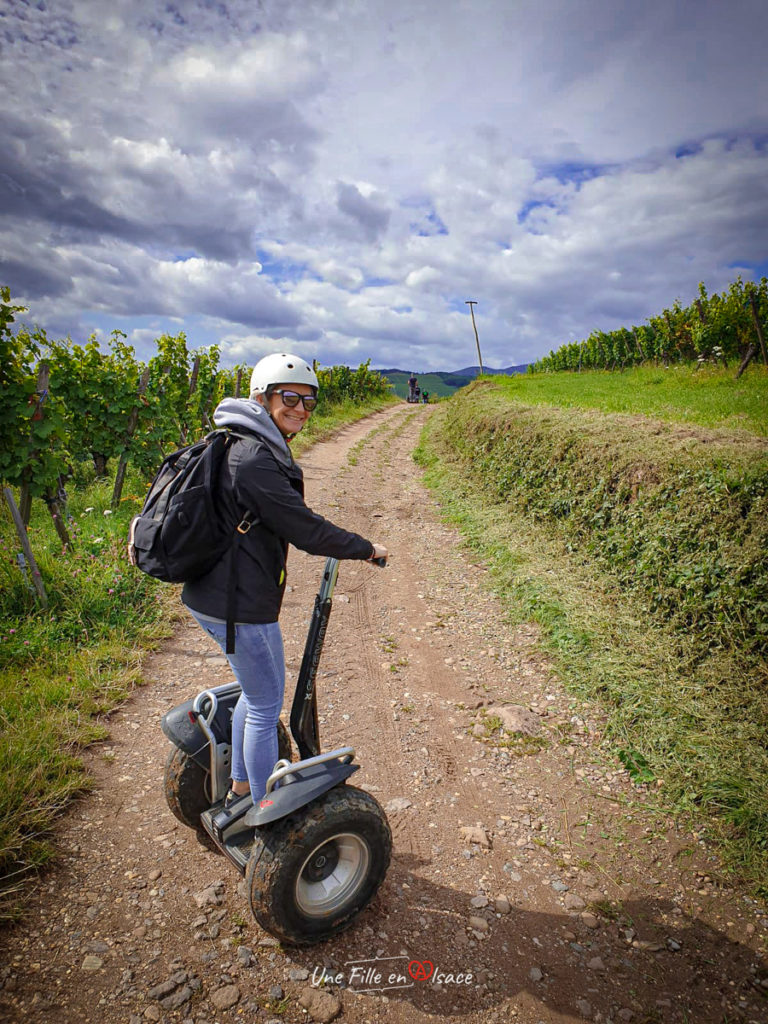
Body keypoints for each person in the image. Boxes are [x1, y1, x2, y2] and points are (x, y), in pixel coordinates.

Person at [181, 353, 388, 809]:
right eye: (289, 397)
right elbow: (305, 529)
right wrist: (366, 548)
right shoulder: (255, 458)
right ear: (262, 397)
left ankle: (238, 789)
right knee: (263, 705)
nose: (300, 408)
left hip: (219, 592)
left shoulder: (240, 440)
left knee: (256, 696)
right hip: (236, 602)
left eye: (308, 402)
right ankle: (263, 812)